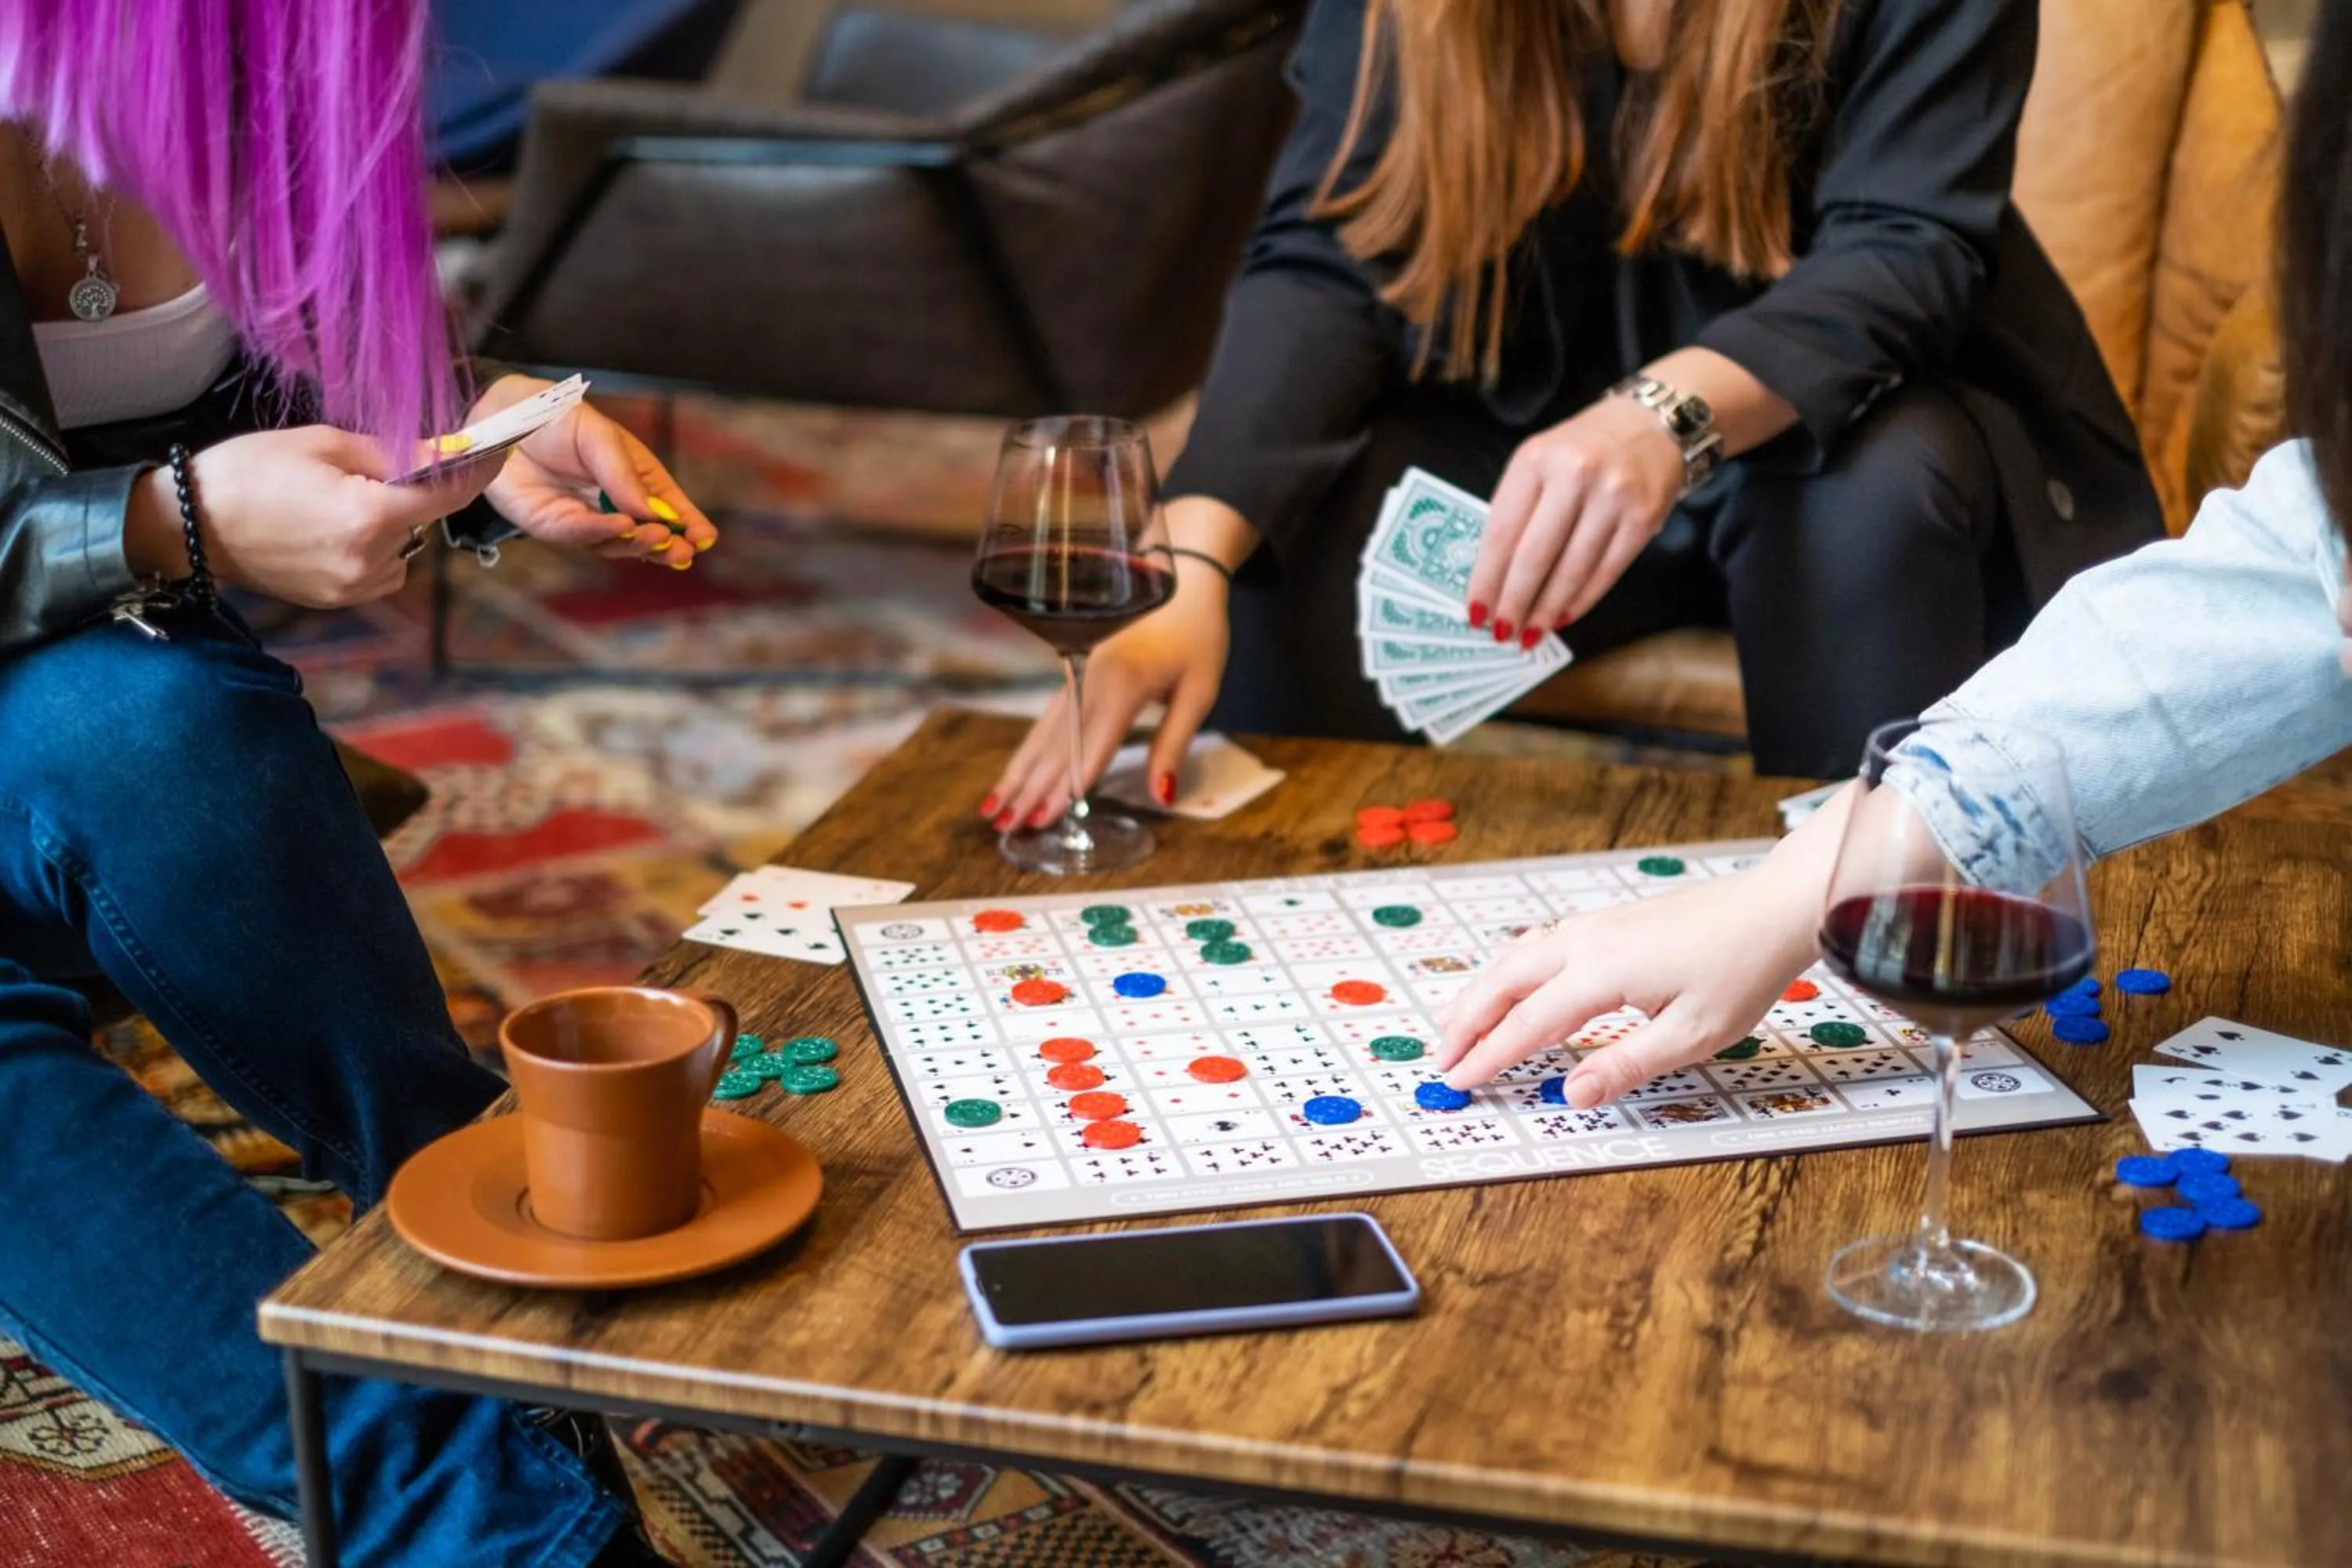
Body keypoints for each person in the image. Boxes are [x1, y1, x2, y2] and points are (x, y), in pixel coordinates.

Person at [0, 2, 713, 1563]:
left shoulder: (264, 47)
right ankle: (494, 1524)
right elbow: (162, 500)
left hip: (69, 700)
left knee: (161, 738)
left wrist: (458, 446)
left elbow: (223, 393)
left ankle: (482, 1231)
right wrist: (161, 524)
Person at [1430, 0, 2352, 1111]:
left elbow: (1911, 251)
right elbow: (2298, 573)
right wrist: (1797, 892)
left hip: (1938, 443)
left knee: (1874, 474)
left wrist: (1801, 889)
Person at [981, 0, 2162, 823]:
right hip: (1532, 422)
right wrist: (1190, 550)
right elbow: (1335, 252)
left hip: (1859, 434)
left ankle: (1858, 944)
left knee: (1874, 491)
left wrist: (1661, 417)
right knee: (1284, 541)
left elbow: (1911, 244)